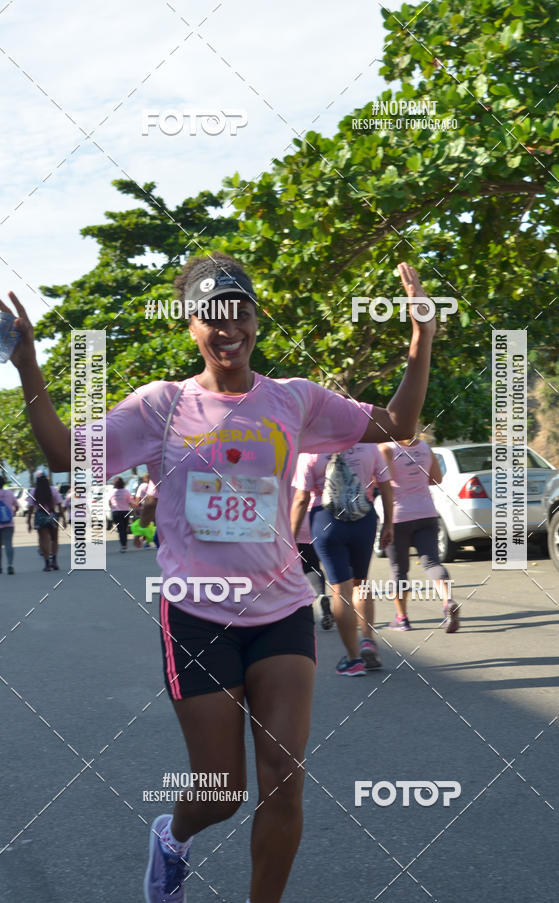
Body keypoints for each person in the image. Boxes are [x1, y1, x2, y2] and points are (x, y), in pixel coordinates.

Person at [2, 253, 435, 903]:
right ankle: (173, 838)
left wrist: (422, 334)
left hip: (282, 608)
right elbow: (66, 453)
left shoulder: (294, 399)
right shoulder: (163, 407)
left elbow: (396, 425)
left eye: (240, 310)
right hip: (199, 617)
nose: (228, 325)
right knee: (221, 791)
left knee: (285, 776)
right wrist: (26, 360)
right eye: (212, 314)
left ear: (257, 319)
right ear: (191, 325)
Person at [291, 444, 394, 674]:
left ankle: (353, 660)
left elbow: (300, 498)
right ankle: (368, 640)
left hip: (326, 520)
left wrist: (290, 538)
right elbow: (386, 486)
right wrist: (388, 524)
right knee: (361, 583)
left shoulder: (311, 451)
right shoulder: (369, 447)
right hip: (363, 518)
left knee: (340, 589)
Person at [379, 436, 459, 633]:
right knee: (432, 563)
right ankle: (447, 601)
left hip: (399, 517)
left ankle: (402, 619)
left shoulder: (386, 449)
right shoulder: (425, 447)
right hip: (426, 513)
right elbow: (436, 478)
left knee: (399, 569)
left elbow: (383, 481)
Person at [294, 504, 334, 630]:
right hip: (322, 518)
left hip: (298, 519)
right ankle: (322, 595)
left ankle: (314, 599)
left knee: (306, 566)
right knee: (314, 565)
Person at [26, 473, 65, 571]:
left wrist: (29, 521)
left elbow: (30, 508)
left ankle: (47, 564)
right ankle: (54, 562)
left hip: (40, 516)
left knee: (44, 541)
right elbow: (60, 505)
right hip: (52, 516)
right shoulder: (53, 490)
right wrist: (64, 519)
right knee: (54, 539)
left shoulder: (34, 491)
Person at [108, 476, 134, 551]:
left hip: (116, 513)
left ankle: (123, 545)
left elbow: (110, 503)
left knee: (120, 529)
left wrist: (112, 508)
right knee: (125, 528)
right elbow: (130, 502)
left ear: (115, 484)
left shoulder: (112, 491)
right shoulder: (126, 491)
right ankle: (124, 544)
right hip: (125, 512)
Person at [0, 475, 18, 574]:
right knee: (8, 545)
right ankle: (10, 566)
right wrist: (13, 512)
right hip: (8, 523)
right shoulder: (10, 493)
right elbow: (17, 506)